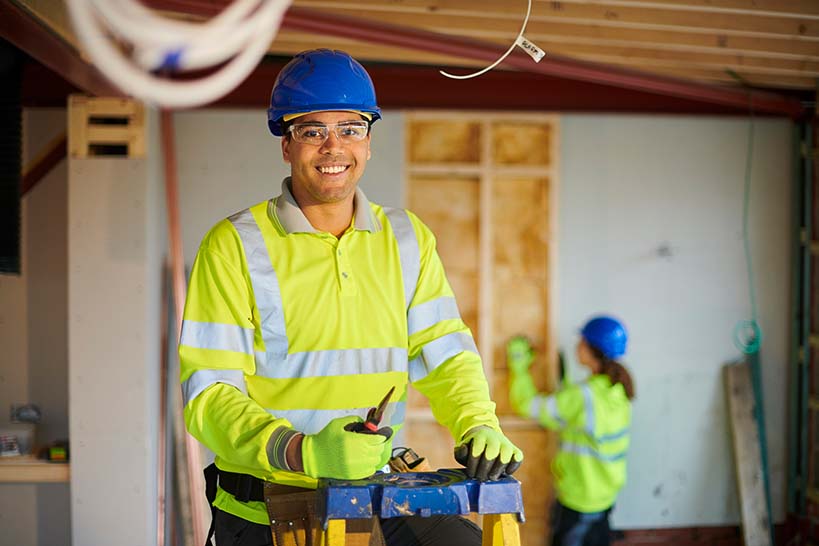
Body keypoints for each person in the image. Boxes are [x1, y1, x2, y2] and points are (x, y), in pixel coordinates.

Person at [178, 48, 523, 546]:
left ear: (369, 140)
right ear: (286, 144)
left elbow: (445, 352)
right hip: (266, 509)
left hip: (374, 491)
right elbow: (209, 396)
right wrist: (302, 452)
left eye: (351, 128)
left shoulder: (406, 239)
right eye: (313, 130)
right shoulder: (234, 245)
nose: (333, 147)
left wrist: (477, 425)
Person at [507, 316, 634, 546]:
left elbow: (528, 405)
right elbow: (579, 423)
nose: (577, 346)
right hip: (604, 496)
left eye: (581, 341)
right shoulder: (617, 389)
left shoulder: (582, 397)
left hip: (579, 499)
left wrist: (519, 365)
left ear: (591, 349)